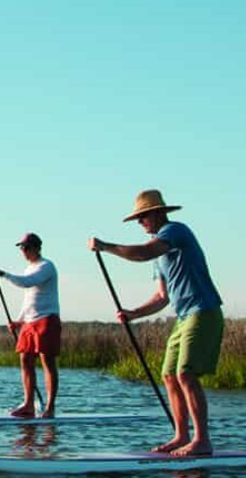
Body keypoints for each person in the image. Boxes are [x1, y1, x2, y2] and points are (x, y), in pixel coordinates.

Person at [89, 190, 223, 457]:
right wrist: (133, 313)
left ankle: (202, 440)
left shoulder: (176, 231)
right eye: (138, 218)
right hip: (183, 317)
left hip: (203, 312)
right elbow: (162, 297)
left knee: (186, 373)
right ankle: (181, 435)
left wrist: (106, 247)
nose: (141, 222)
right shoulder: (159, 255)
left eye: (143, 217)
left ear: (159, 212)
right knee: (168, 375)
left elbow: (143, 253)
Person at [0, 232, 61, 418]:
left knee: (47, 361)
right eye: (21, 248)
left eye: (26, 247)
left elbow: (27, 283)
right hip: (30, 322)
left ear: (37, 248)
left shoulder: (46, 266)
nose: (23, 251)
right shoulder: (29, 267)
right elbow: (29, 299)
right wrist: (19, 320)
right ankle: (28, 405)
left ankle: (50, 408)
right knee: (25, 360)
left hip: (47, 318)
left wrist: (3, 274)